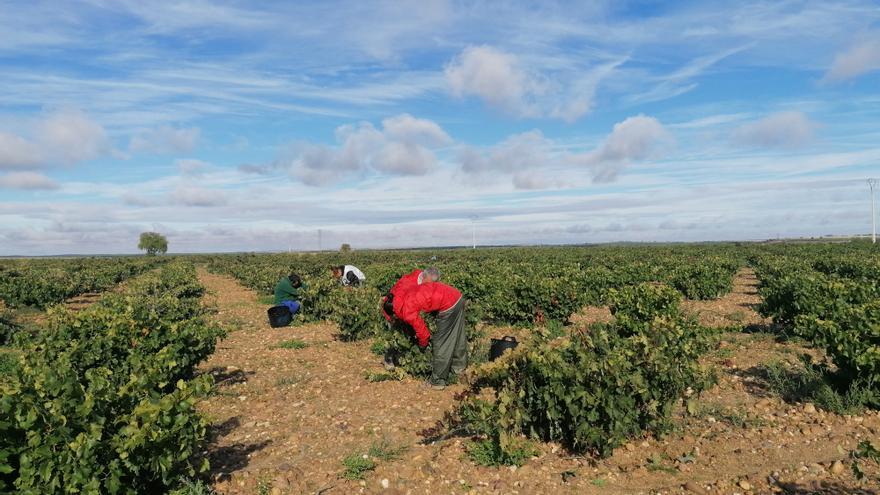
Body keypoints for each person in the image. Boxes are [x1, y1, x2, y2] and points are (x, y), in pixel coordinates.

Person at [390, 280, 468, 390]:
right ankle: (459, 369)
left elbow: (424, 334)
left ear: (394, 313)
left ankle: (437, 381)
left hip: (448, 304)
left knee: (442, 342)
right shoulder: (403, 295)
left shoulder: (407, 312)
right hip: (456, 296)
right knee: (457, 335)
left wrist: (422, 346)